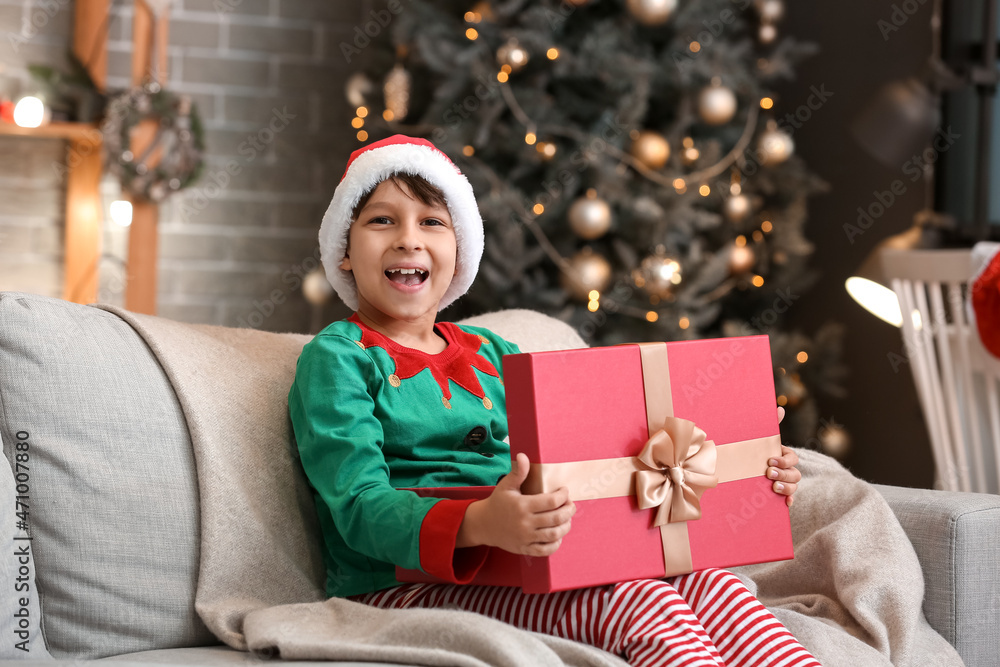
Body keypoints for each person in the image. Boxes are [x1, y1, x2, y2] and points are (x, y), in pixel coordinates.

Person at [287, 134, 819, 667]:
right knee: (643, 601)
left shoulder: (496, 353)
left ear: (459, 251)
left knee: (715, 585)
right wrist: (479, 524)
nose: (409, 239)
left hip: (530, 561)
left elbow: (595, 464)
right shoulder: (338, 358)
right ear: (344, 252)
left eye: (432, 222)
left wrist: (739, 467)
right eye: (382, 221)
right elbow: (357, 506)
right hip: (399, 588)